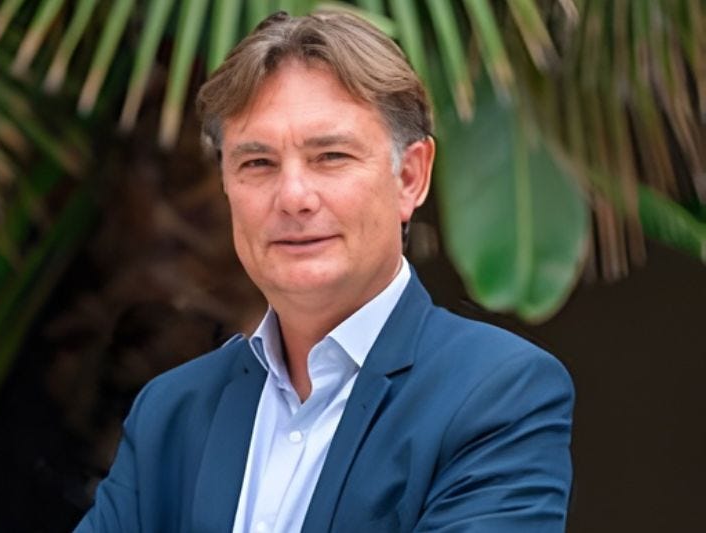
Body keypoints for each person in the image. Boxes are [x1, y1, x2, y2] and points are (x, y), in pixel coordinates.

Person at [75, 10, 574, 533]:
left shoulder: (497, 395)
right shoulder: (171, 413)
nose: (293, 197)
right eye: (257, 163)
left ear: (409, 177)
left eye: (331, 156)